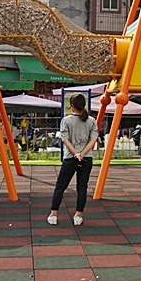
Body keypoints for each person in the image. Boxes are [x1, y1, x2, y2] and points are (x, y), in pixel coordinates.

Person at [48, 93, 98, 227]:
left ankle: (53, 214)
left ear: (71, 106)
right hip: (86, 158)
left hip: (70, 158)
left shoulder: (66, 120)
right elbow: (93, 140)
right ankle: (78, 215)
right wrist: (82, 154)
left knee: (60, 186)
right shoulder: (91, 121)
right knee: (82, 188)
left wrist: (76, 154)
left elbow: (65, 139)